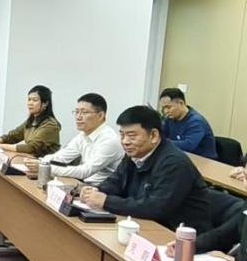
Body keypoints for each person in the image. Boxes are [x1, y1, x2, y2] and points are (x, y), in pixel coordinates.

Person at [79, 105, 212, 233]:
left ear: (153, 136)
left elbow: (156, 207)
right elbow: (116, 181)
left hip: (177, 233)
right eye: (122, 135)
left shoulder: (174, 163)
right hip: (146, 223)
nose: (125, 141)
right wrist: (97, 191)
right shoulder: (135, 154)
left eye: (132, 136)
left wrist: (106, 201)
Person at [22, 93, 124, 186]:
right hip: (82, 184)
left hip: (101, 190)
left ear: (100, 115)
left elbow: (84, 171)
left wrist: (45, 168)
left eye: (84, 112)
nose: (78, 117)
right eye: (76, 112)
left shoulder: (109, 140)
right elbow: (61, 157)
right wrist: (39, 162)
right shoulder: (83, 135)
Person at [0, 85, 61, 157]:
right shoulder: (32, 120)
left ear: (45, 103)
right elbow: (14, 136)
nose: (30, 103)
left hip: (46, 164)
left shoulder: (51, 125)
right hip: (31, 160)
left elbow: (31, 147)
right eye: (29, 100)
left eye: (34, 100)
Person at [158, 87, 217, 159]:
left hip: (203, 160)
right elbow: (162, 136)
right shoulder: (170, 119)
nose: (166, 111)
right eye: (163, 108)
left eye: (168, 107)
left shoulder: (196, 121)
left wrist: (161, 142)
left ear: (181, 103)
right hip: (180, 156)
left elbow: (188, 146)